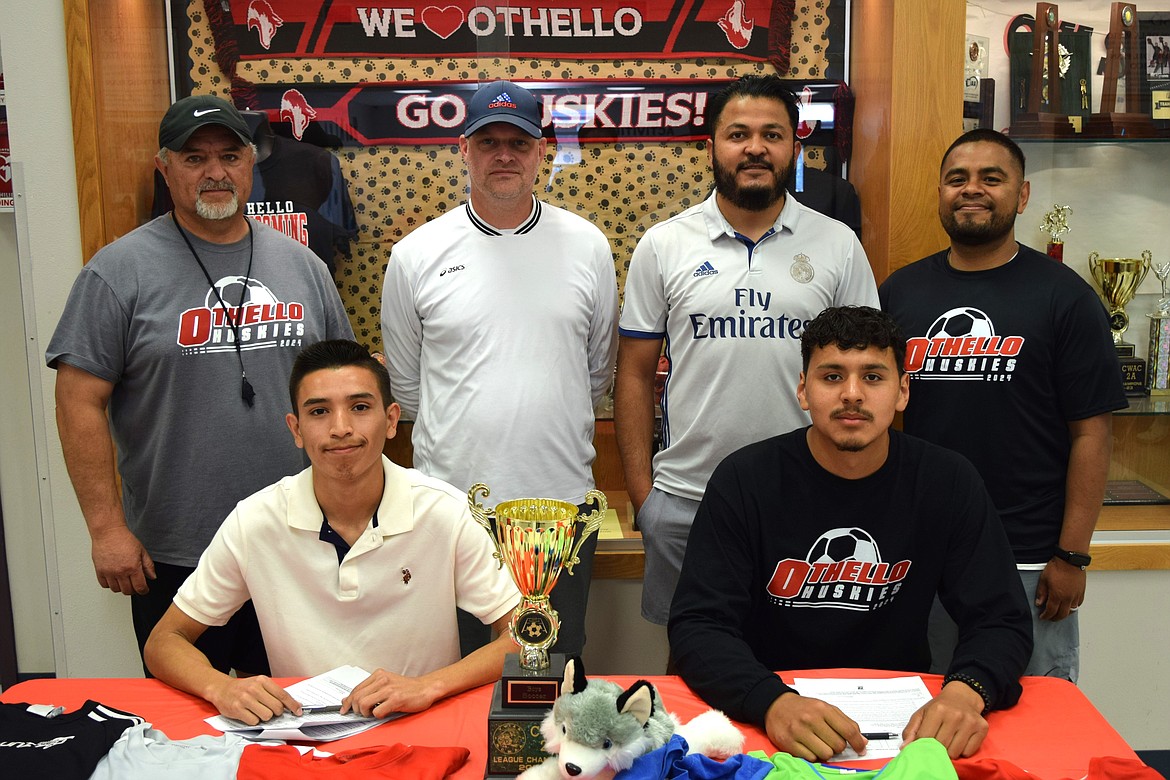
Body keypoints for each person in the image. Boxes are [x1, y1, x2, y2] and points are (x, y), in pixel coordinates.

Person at [46, 94, 355, 675]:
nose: (215, 172)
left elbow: (343, 390)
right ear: (164, 168)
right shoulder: (116, 272)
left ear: (250, 165)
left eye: (229, 156)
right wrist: (107, 530)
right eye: (194, 158)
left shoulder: (302, 265)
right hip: (177, 552)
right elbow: (78, 402)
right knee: (188, 731)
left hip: (302, 543)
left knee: (307, 720)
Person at [668, 306, 1032, 762]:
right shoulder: (744, 480)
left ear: (902, 391)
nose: (852, 395)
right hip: (769, 712)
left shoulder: (948, 480)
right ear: (803, 389)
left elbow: (1001, 618)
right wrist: (770, 700)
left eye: (874, 377)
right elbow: (699, 623)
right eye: (833, 376)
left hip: (902, 724)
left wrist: (966, 691)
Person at [615, 74, 878, 628]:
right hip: (689, 500)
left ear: (794, 148)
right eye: (738, 134)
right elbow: (635, 376)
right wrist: (646, 497)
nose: (755, 148)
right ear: (710, 145)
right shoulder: (665, 245)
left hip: (810, 495)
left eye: (772, 135)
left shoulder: (837, 244)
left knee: (801, 658)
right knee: (691, 656)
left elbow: (869, 374)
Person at [143, 339, 521, 724]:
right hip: (304, 738)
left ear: (391, 420)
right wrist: (220, 687)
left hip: (422, 727)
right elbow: (164, 642)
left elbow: (525, 635)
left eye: (360, 407)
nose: (341, 428)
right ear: (296, 429)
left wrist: (428, 685)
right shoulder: (254, 521)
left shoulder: (445, 511)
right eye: (320, 411)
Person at [380, 80, 618, 656]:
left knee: (553, 669)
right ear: (464, 150)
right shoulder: (416, 254)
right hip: (455, 512)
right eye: (489, 142)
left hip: (560, 510)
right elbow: (408, 389)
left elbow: (598, 372)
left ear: (542, 151)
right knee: (459, 672)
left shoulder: (587, 246)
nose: (504, 155)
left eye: (519, 141)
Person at [879, 129, 1126, 682]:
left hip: (1031, 558)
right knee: (928, 716)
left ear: (1022, 194)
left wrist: (1072, 554)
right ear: (940, 191)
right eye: (957, 178)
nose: (973, 190)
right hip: (924, 551)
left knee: (1034, 714)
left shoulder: (1066, 298)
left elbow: (1092, 434)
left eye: (992, 178)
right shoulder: (900, 292)